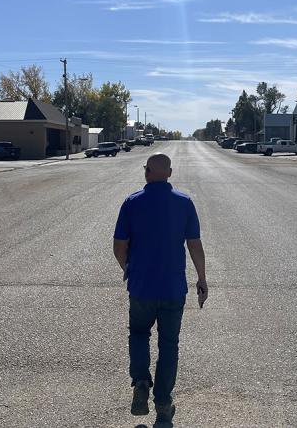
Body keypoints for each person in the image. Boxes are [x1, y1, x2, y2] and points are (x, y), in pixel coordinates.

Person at [113, 152, 207, 424]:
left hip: (141, 286)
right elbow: (194, 245)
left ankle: (141, 382)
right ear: (170, 173)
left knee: (139, 334)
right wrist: (202, 278)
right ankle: (164, 406)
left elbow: (119, 245)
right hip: (173, 288)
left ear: (147, 172)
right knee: (169, 345)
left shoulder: (132, 203)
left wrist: (127, 268)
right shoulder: (184, 203)